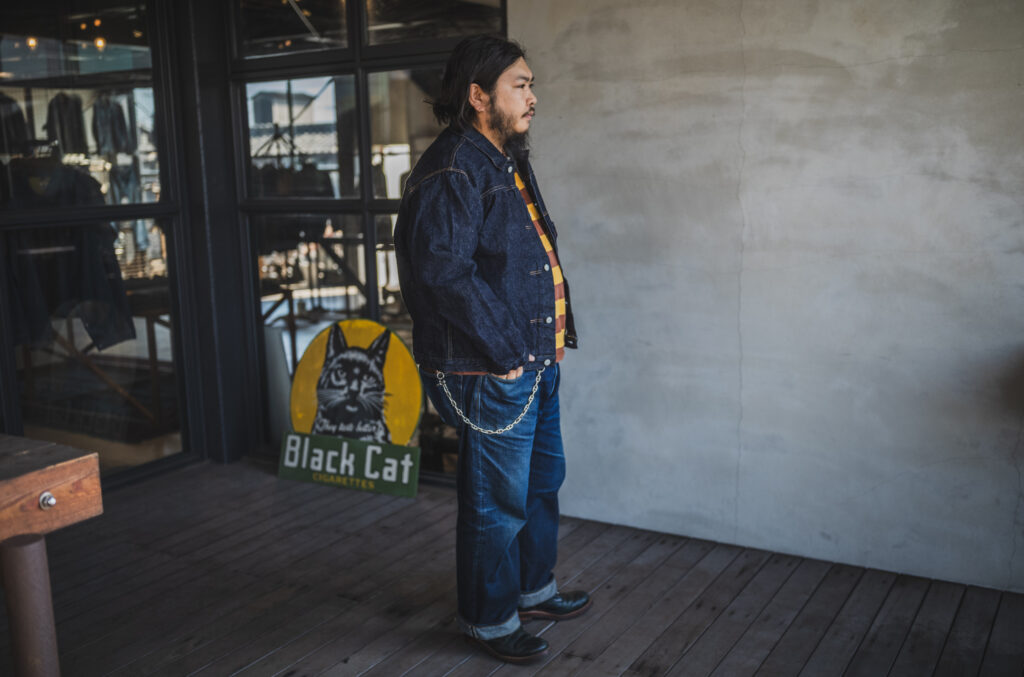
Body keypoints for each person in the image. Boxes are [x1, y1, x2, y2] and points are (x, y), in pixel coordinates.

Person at [394, 35, 588, 663]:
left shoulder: (504, 158)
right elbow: (443, 274)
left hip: (532, 360)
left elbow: (526, 257)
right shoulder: (453, 167)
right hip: (492, 366)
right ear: (478, 96)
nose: (532, 96)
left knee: (540, 484)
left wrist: (547, 341)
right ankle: (488, 618)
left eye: (531, 84)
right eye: (519, 85)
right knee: (495, 504)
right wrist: (508, 352)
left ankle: (532, 590)